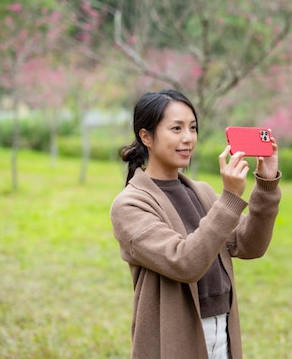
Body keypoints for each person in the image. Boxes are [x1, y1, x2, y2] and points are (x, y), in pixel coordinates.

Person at [110, 89, 281, 359]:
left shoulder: (201, 192)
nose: (188, 138)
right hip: (174, 335)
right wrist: (229, 199)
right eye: (176, 128)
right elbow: (184, 262)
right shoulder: (130, 205)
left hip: (222, 327)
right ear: (146, 137)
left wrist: (266, 185)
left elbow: (250, 245)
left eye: (193, 128)